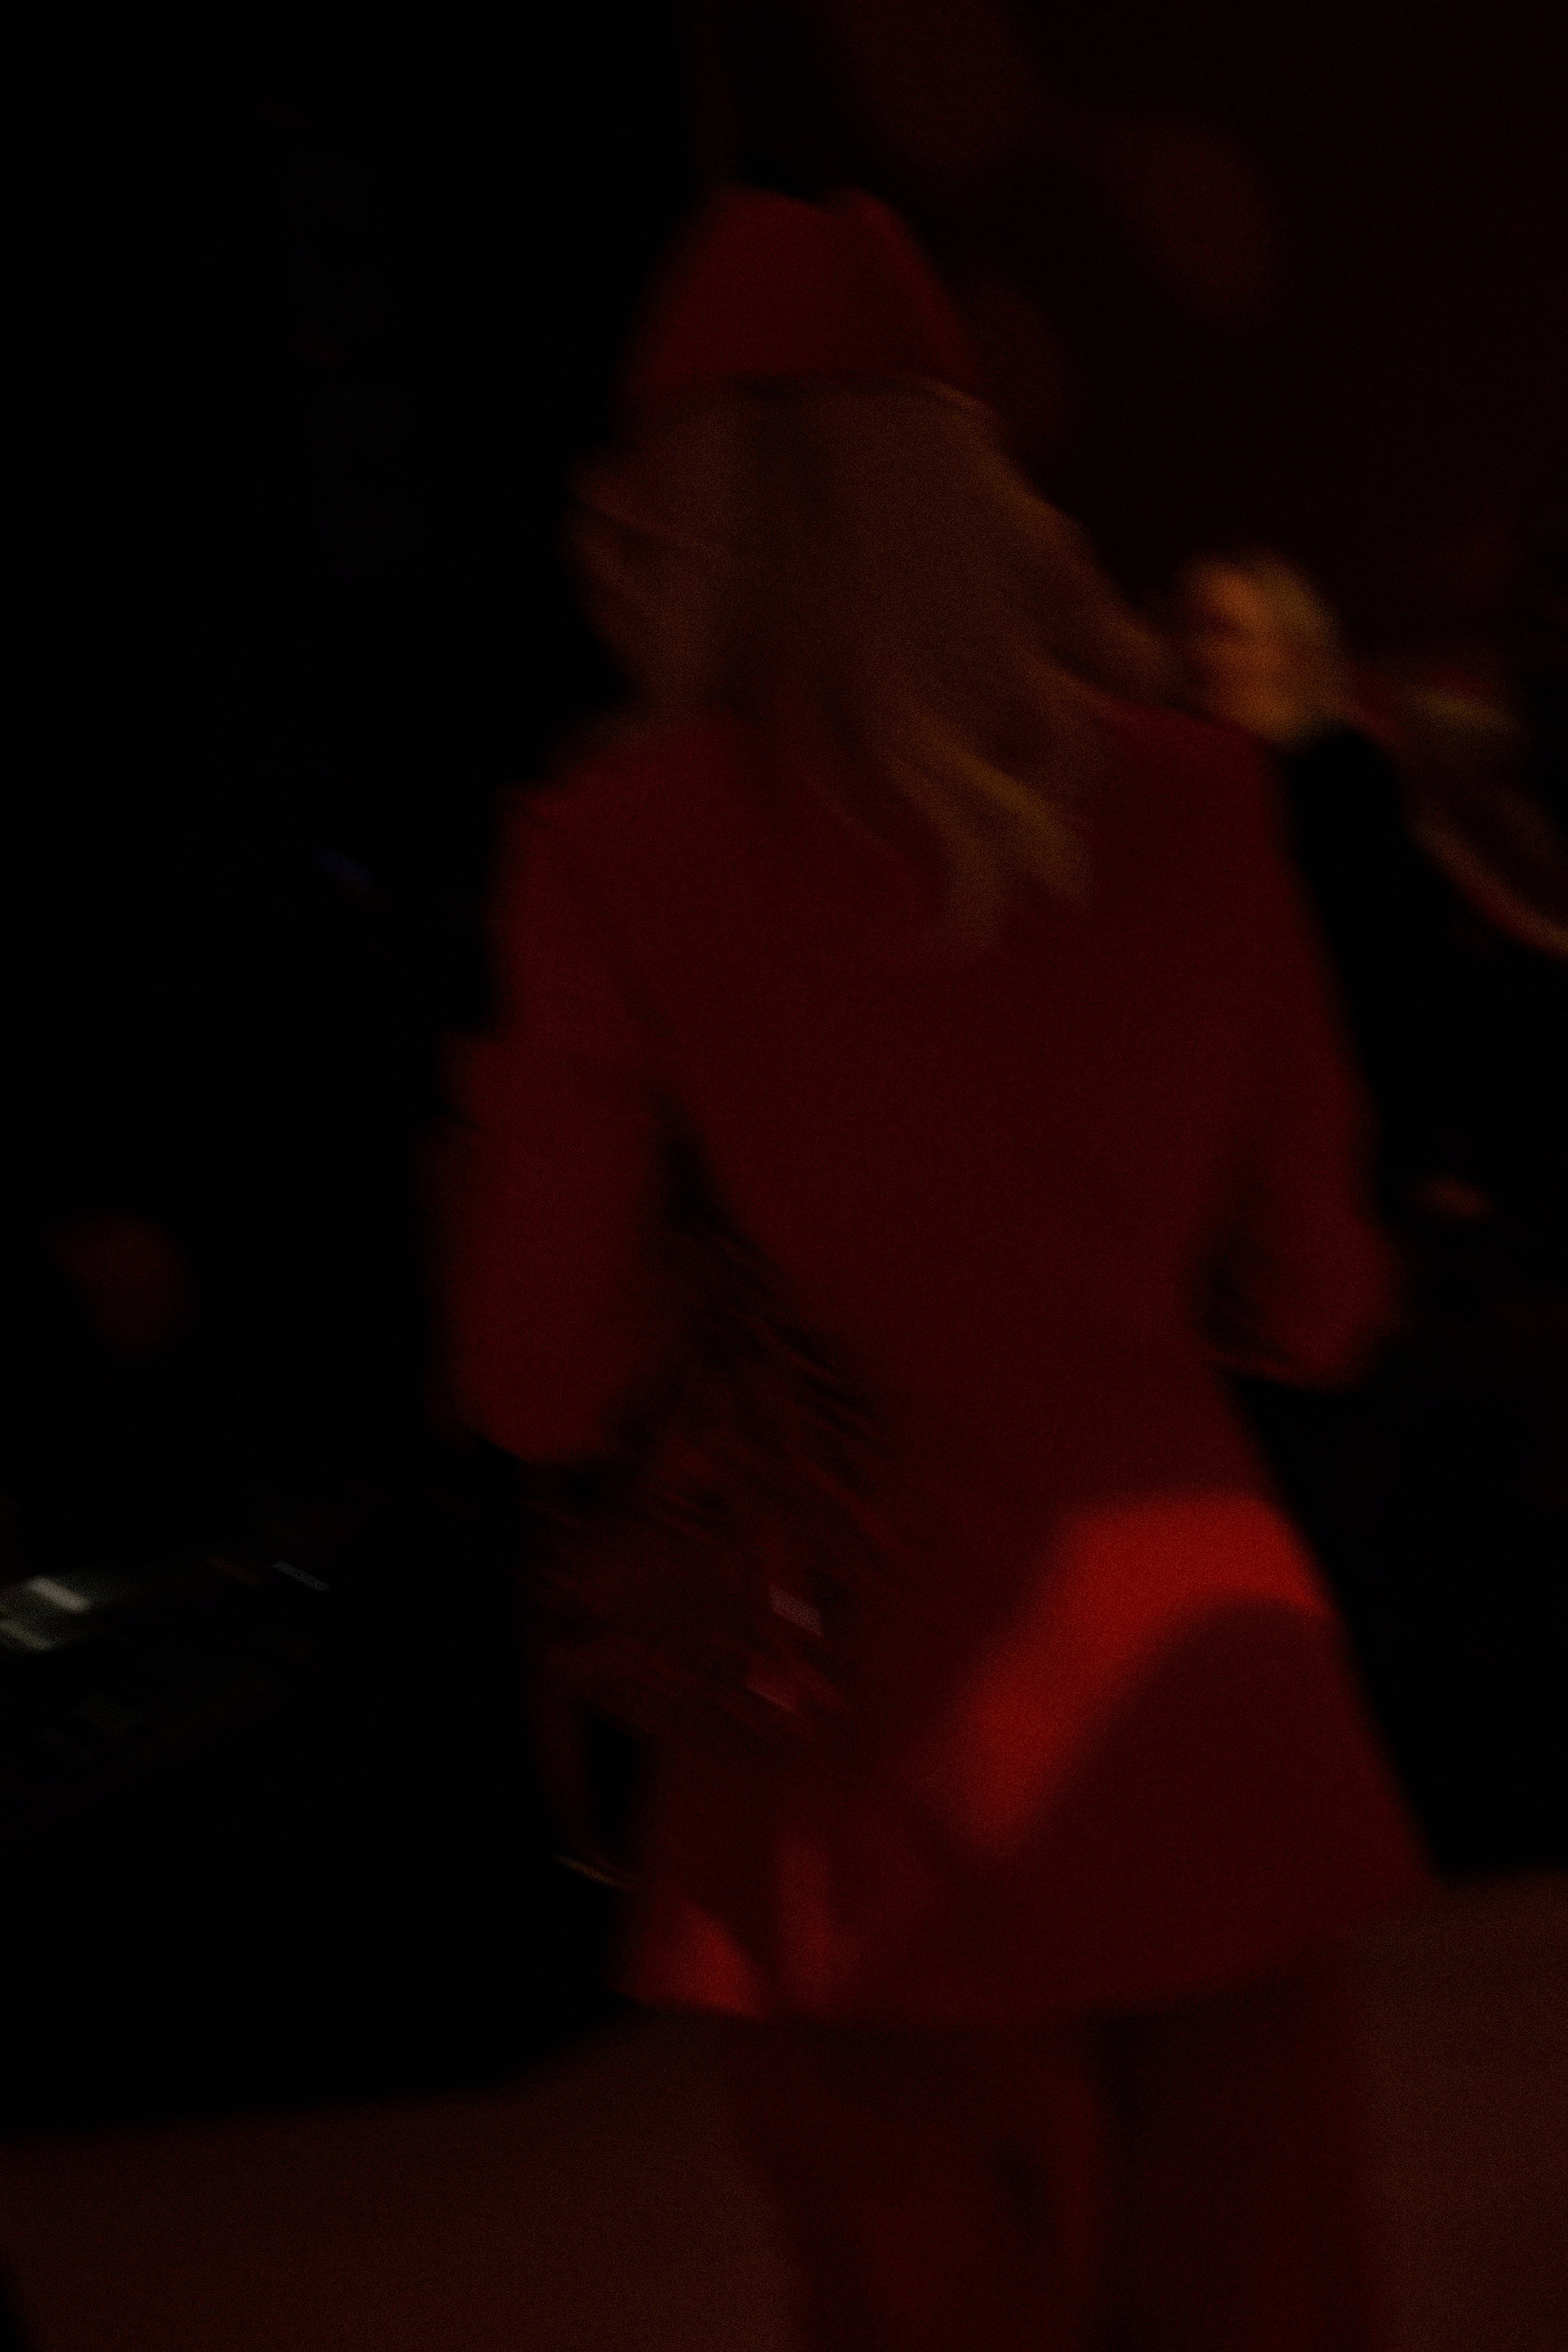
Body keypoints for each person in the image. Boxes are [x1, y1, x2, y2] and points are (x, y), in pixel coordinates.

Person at [436, 186, 1432, 2351]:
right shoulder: (1202, 802)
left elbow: (537, 1370)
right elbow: (1320, 1299)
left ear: (678, 507)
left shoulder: (616, 850)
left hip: (855, 1729)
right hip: (1200, 1685)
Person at [1173, 549, 1492, 1227]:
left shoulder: (1343, 770)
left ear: (1286, 653)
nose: (1200, 653)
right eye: (1190, 631)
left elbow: (1371, 942)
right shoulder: (1174, 773)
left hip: (1344, 1043)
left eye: (1225, 632)